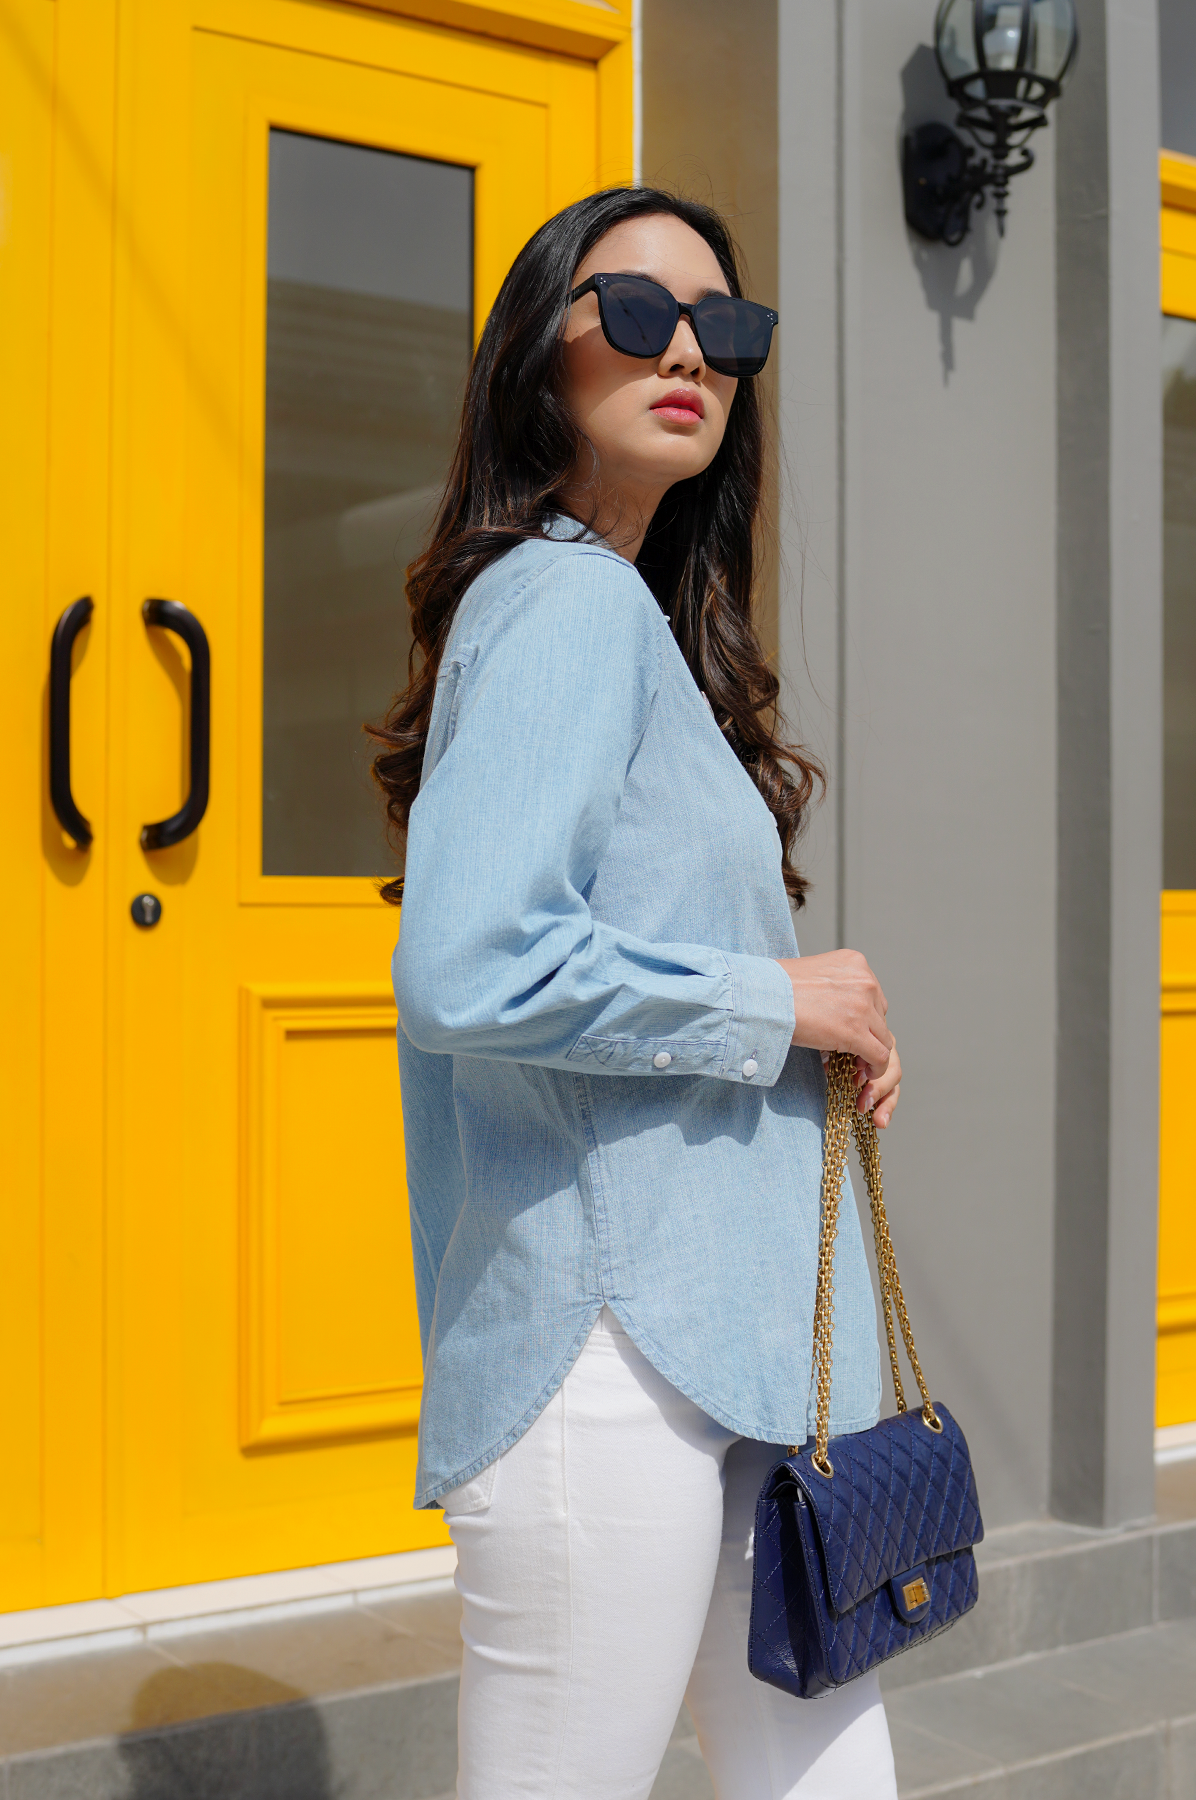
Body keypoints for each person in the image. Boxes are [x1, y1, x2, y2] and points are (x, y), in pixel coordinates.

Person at [369, 187, 902, 1800]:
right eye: (641, 313)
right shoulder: (563, 599)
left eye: (725, 327)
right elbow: (473, 963)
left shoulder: (632, 619)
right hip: (607, 1353)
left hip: (734, 1342)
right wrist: (777, 1007)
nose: (690, 355)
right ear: (541, 350)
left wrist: (820, 1036)